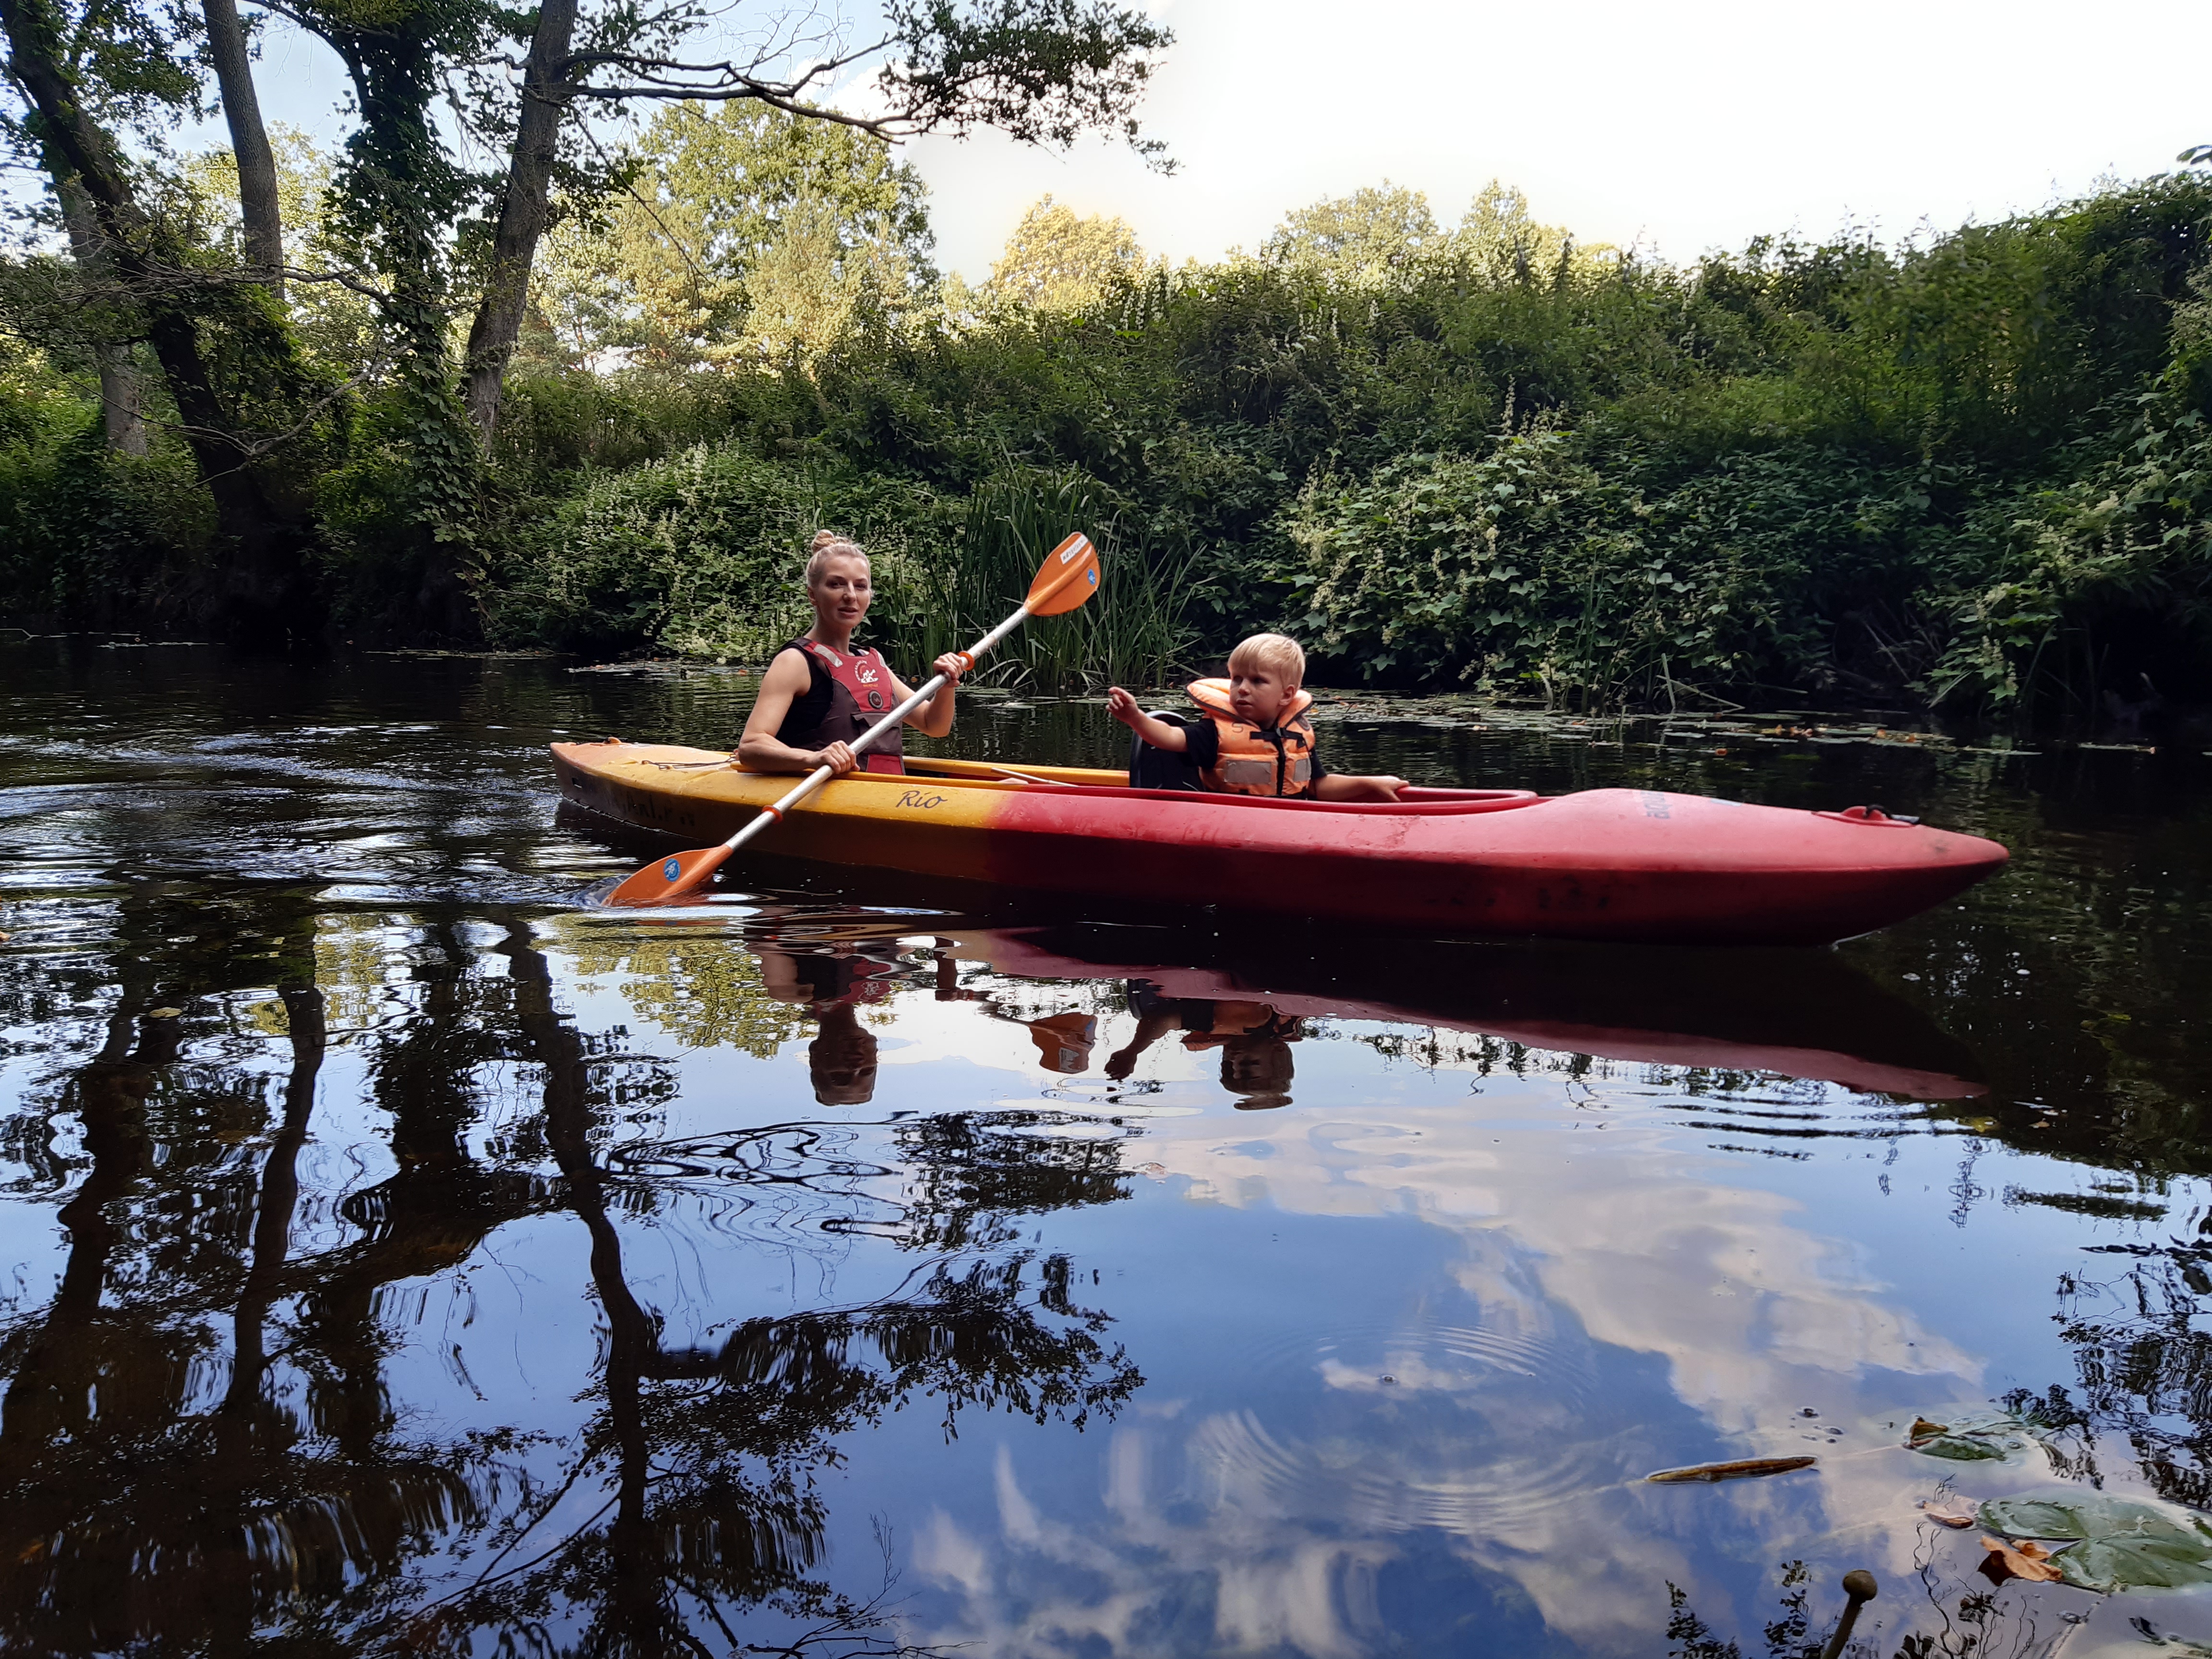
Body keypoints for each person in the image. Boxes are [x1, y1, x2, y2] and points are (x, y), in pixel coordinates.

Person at [737, 530, 970, 778]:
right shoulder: (796, 661)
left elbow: (934, 725)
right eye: (836, 584)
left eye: (860, 586)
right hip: (824, 794)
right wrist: (814, 758)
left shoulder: (873, 662)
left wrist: (946, 684)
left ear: (869, 596)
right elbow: (751, 745)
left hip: (886, 793)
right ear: (813, 594)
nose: (850, 595)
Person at [1105, 632, 1406, 801]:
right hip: (1226, 826)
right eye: (1237, 679)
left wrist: (1368, 783)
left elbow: (1319, 787)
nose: (1243, 689)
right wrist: (1135, 717)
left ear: (1287, 695)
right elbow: (1170, 737)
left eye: (1258, 681)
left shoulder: (1298, 735)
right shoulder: (1214, 732)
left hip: (1289, 826)